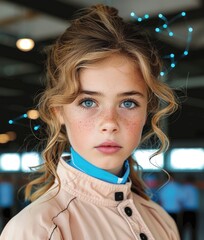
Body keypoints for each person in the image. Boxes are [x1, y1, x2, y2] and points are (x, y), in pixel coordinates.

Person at [0, 4, 180, 240]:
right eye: (87, 102)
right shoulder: (36, 230)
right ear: (58, 112)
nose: (109, 123)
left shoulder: (161, 221)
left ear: (147, 111)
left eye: (128, 103)